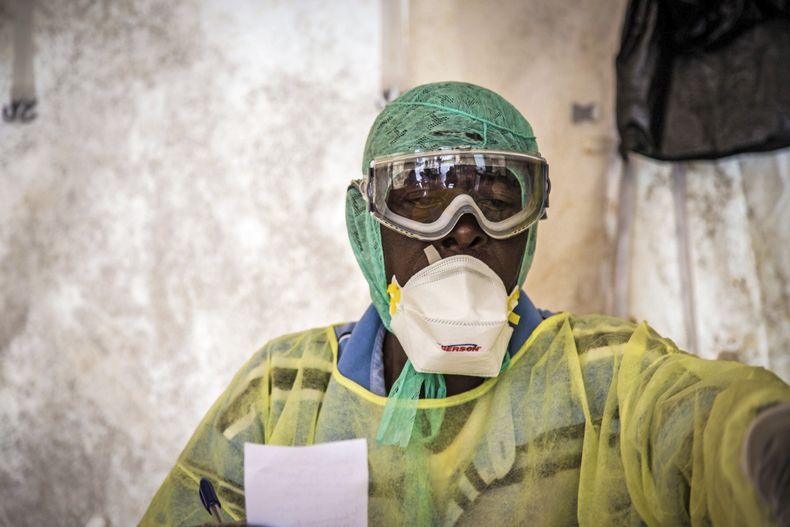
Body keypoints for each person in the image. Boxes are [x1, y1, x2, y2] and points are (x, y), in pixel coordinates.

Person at [139, 82, 790, 526]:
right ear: (367, 225)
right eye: (422, 197)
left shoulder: (606, 378)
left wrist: (761, 446)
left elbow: (693, 419)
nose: (464, 227)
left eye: (499, 196)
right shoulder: (284, 391)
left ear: (530, 226)